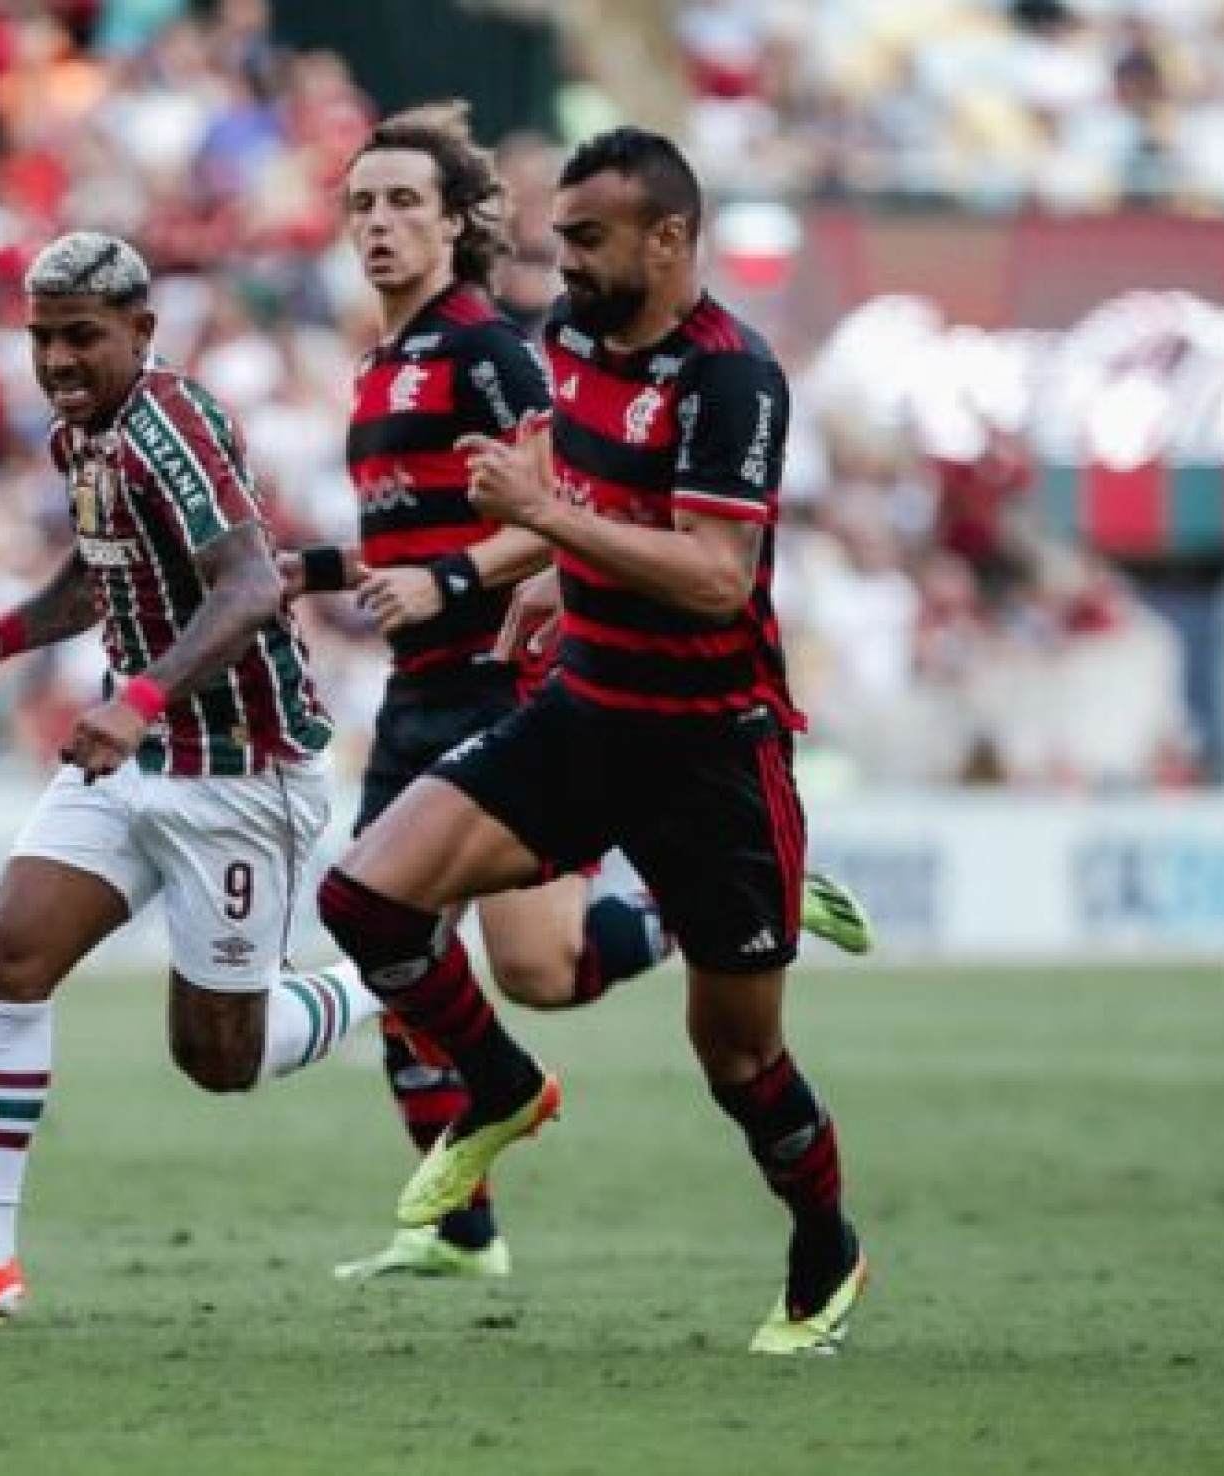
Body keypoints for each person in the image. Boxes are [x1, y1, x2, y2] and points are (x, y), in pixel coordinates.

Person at [282, 104, 873, 1283]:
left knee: (728, 1058)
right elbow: (574, 509)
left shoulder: (726, 375)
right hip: (578, 711)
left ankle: (823, 1246)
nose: (560, 270)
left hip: (704, 739)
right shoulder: (542, 340)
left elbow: (710, 575)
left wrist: (521, 543)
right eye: (556, 242)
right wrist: (550, 569)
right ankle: (475, 1168)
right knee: (368, 906)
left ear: (666, 239)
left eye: (586, 242)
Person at [0, 232, 367, 1328]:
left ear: (141, 330)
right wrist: (5, 635)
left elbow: (245, 591)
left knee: (218, 1059)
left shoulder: (170, 424)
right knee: (7, 954)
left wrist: (137, 702)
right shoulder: (79, 436)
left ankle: (393, 983)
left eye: (80, 336)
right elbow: (103, 573)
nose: (55, 359)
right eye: (41, 337)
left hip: (238, 770)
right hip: (132, 756)